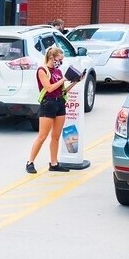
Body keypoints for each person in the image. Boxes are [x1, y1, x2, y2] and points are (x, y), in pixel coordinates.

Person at [26, 46, 84, 174]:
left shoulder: (58, 72)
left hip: (60, 103)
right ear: (52, 57)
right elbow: (49, 88)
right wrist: (64, 79)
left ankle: (54, 163)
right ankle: (30, 162)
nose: (61, 62)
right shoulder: (42, 70)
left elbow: (63, 91)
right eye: (59, 59)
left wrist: (75, 81)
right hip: (48, 104)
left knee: (56, 136)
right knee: (42, 136)